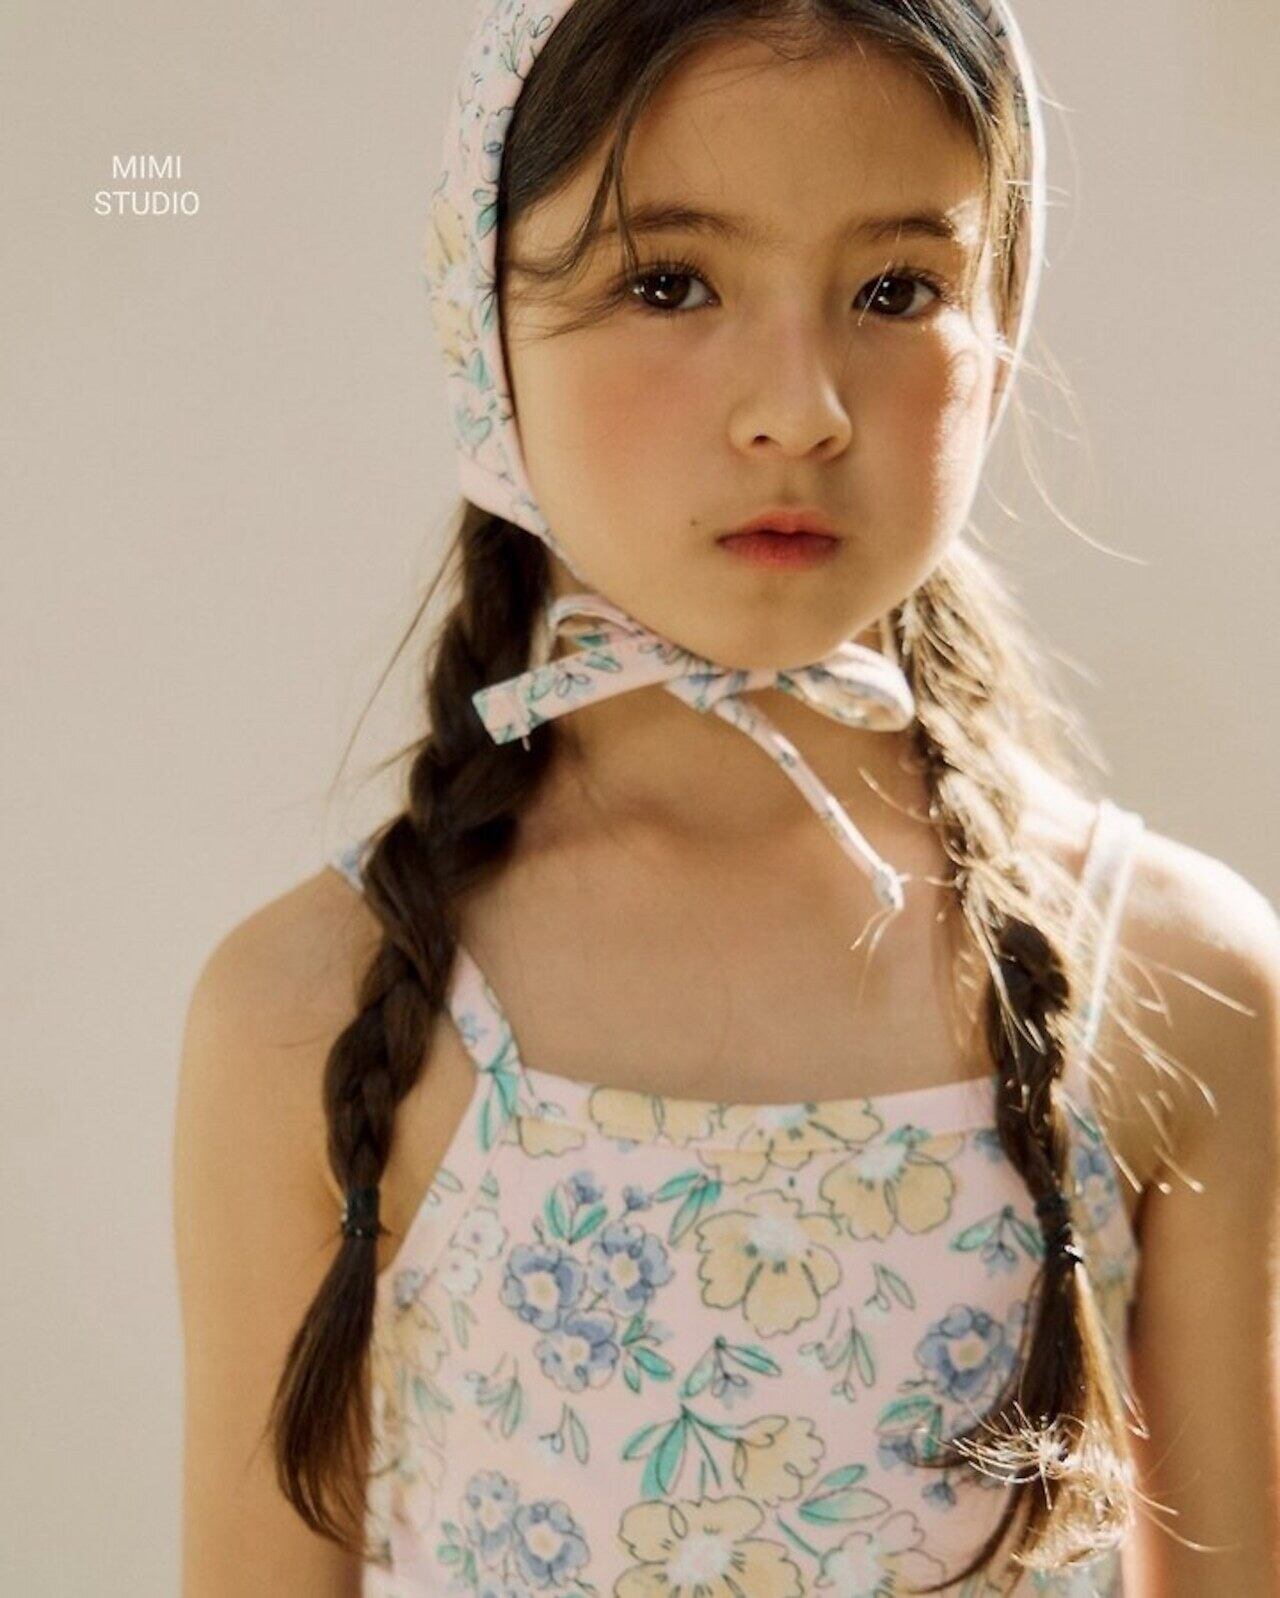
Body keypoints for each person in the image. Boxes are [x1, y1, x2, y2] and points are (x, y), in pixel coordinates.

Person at [173, 1, 1280, 1594]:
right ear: (484, 323)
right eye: (669, 283)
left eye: (896, 291)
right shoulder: (311, 1013)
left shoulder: (1179, 980)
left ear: (1004, 324)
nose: (799, 407)